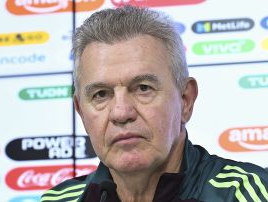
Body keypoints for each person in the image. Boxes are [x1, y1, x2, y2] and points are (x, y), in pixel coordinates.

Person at [40, 5, 268, 202]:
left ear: (185, 100)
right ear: (81, 112)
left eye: (143, 88)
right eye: (101, 94)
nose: (121, 113)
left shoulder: (247, 194)